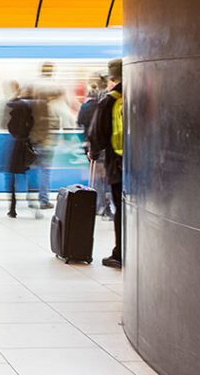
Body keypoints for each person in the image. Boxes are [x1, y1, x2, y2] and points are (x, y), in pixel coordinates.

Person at [89, 59, 124, 269]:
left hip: (118, 164)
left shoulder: (110, 99)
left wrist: (93, 153)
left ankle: (119, 253)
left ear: (112, 78)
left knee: (120, 207)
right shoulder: (145, 93)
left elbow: (97, 136)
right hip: (147, 166)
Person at [0, 80, 37, 218]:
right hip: (23, 143)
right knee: (25, 173)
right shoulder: (26, 105)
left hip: (10, 143)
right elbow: (31, 123)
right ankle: (32, 201)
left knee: (10, 176)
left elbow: (2, 124)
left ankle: (12, 207)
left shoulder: (8, 104)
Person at [78, 80, 111, 220]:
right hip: (107, 145)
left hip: (92, 145)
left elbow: (80, 122)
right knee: (107, 176)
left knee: (96, 176)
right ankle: (109, 206)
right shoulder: (104, 105)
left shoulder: (86, 107)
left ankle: (99, 205)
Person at [23, 79, 54, 211]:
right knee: (45, 172)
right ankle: (43, 200)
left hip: (32, 143)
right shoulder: (44, 105)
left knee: (32, 172)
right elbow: (49, 124)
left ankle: (31, 199)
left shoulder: (28, 105)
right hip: (45, 143)